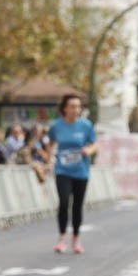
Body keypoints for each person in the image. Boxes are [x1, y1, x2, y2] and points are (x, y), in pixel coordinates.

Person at [47, 94, 97, 254]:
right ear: (65, 108)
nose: (76, 109)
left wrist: (89, 150)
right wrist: (49, 159)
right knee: (63, 202)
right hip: (63, 170)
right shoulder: (57, 126)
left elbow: (94, 143)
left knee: (77, 205)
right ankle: (62, 238)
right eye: (72, 106)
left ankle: (76, 238)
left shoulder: (86, 125)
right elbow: (50, 143)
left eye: (78, 106)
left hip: (81, 171)